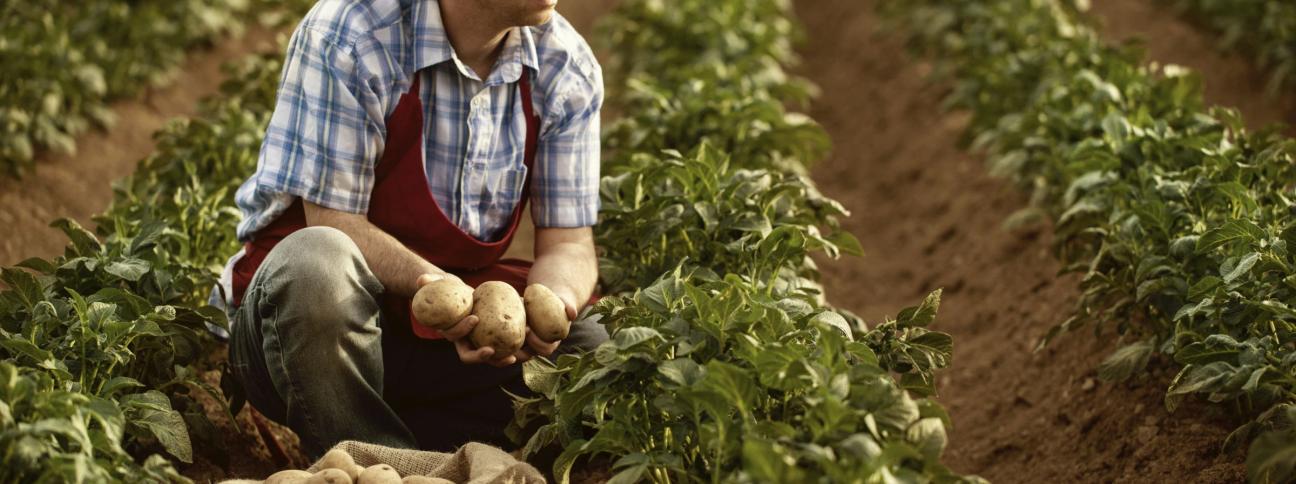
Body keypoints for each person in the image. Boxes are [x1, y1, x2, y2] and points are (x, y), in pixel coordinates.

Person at [214, 0, 607, 458]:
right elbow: (334, 221)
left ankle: (410, 448)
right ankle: (374, 458)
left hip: (437, 345)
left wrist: (549, 309)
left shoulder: (566, 65)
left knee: (595, 341)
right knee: (317, 264)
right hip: (311, 336)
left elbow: (569, 243)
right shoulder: (352, 33)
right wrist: (446, 294)